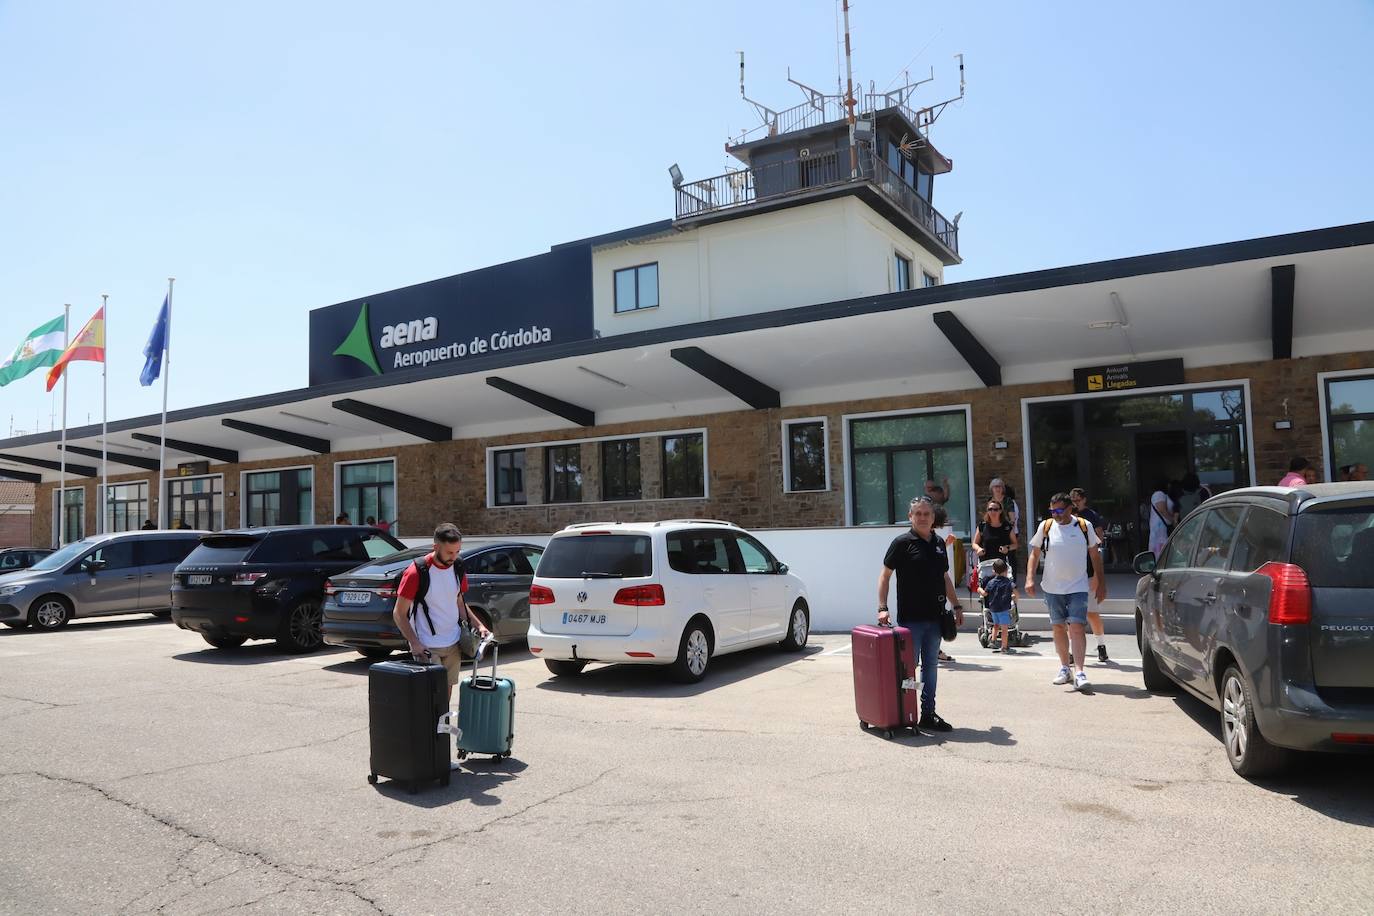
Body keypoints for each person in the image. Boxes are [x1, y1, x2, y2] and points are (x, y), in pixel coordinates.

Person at [878, 497, 965, 733]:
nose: (923, 517)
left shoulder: (938, 543)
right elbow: (885, 576)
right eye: (918, 513)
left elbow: (945, 578)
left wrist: (956, 605)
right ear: (910, 517)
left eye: (927, 513)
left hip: (935, 619)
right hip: (911, 619)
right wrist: (882, 607)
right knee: (908, 669)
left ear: (933, 517)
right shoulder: (902, 543)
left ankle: (927, 713)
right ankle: (905, 710)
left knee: (931, 668)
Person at [392, 523, 491, 704]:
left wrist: (479, 625)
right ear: (436, 547)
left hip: (453, 642)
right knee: (429, 698)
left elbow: (459, 602)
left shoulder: (458, 567)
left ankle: (441, 730)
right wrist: (414, 643)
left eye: (457, 552)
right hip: (427, 647)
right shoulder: (416, 572)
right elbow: (399, 613)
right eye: (449, 553)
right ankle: (427, 731)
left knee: (445, 697)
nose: (454, 557)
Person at [1025, 492, 1106, 691]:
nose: (1056, 514)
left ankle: (1079, 671)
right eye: (1052, 510)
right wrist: (1029, 578)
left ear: (1071, 508)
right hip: (1052, 587)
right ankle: (1064, 668)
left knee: (1077, 626)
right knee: (1058, 627)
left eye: (1059, 510)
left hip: (1078, 586)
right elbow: (1034, 554)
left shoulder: (1084, 526)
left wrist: (1101, 582)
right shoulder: (1045, 526)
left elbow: (1095, 556)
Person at [1069, 487, 1109, 663]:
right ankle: (1072, 651)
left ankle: (1101, 645)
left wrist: (1099, 580)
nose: (1075, 503)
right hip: (1071, 574)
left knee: (1091, 612)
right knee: (1071, 615)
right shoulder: (1064, 522)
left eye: (1077, 500)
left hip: (1088, 572)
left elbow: (1098, 542)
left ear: (1084, 500)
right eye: (1072, 500)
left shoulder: (1091, 518)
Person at [978, 558, 1016, 653]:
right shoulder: (1008, 582)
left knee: (995, 625)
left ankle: (993, 641)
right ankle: (1004, 647)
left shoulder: (990, 582)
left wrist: (979, 590)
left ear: (993, 571)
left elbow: (985, 594)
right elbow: (1015, 591)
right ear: (1006, 571)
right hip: (1003, 608)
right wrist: (1015, 597)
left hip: (993, 608)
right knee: (1004, 629)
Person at [972, 499, 1017, 566]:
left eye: (995, 509)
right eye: (990, 509)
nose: (992, 511)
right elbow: (974, 543)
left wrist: (1007, 548)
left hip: (1002, 564)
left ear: (1000, 511)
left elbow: (1015, 544)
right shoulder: (982, 526)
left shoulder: (1007, 527)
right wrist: (978, 549)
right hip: (985, 563)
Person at [1147, 481, 1175, 558]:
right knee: (1160, 553)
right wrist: (1172, 521)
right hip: (1159, 531)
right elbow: (1162, 509)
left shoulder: (1165, 495)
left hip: (1163, 530)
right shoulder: (1159, 494)